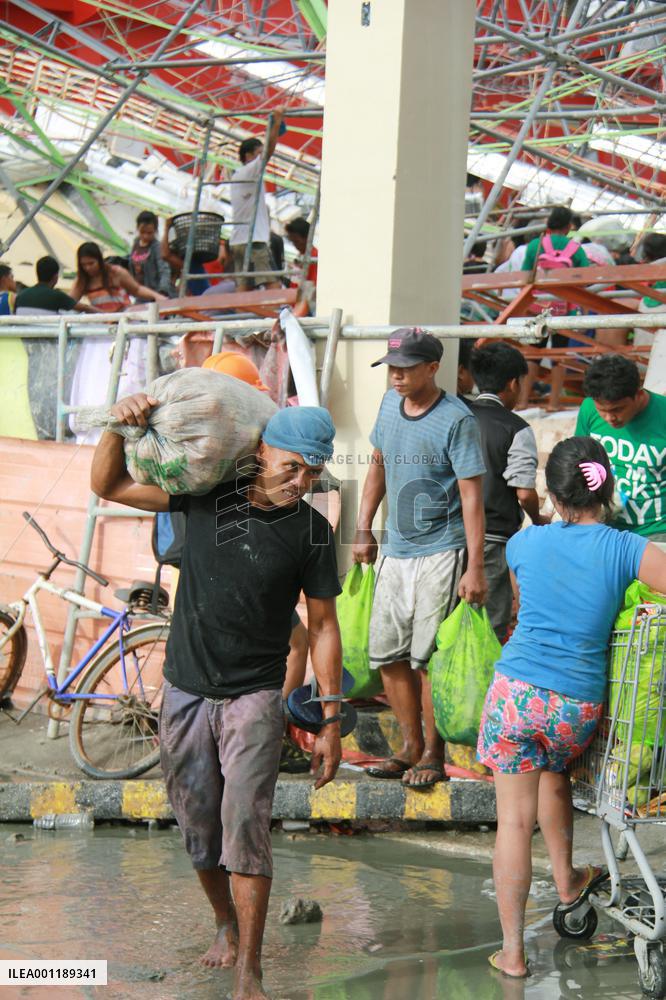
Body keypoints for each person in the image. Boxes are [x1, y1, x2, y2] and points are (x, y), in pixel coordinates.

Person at [91, 402, 343, 1000]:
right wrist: (118, 427)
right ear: (261, 452)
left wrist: (331, 719)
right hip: (184, 686)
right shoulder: (204, 498)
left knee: (246, 823)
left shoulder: (312, 531)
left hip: (256, 694)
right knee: (198, 822)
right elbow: (110, 485)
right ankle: (224, 924)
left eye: (312, 472)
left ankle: (249, 971)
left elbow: (323, 625)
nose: (300, 481)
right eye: (291, 466)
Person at [478, 435, 666, 979]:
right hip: (575, 708)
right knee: (554, 772)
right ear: (607, 487)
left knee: (514, 824)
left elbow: (524, 604)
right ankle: (567, 882)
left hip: (516, 695)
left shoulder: (523, 543)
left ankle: (513, 954)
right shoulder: (627, 549)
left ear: (554, 496)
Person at [352, 327, 487, 788]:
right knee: (388, 653)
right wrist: (363, 527)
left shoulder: (457, 419)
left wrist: (474, 566)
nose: (397, 376)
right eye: (392, 368)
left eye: (406, 368)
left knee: (426, 659)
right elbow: (377, 464)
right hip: (395, 548)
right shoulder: (389, 405)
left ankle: (433, 753)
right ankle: (409, 747)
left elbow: (472, 497)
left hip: (442, 550)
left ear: (432, 368)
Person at [467, 343, 547, 642]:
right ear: (513, 383)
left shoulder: (457, 415)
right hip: (492, 538)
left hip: (449, 535)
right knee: (489, 627)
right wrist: (537, 518)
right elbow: (524, 493)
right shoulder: (516, 428)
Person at [575, 354, 666, 543]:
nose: (610, 418)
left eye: (617, 409)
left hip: (657, 532)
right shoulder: (588, 409)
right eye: (602, 410)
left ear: (638, 394)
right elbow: (578, 460)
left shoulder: (662, 414)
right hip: (604, 529)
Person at [519, 206, 590, 411]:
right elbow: (585, 279)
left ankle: (523, 401)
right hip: (563, 309)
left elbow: (525, 276)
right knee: (559, 354)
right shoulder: (575, 249)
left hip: (537, 307)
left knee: (533, 352)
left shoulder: (536, 245)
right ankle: (554, 403)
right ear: (569, 226)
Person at [230, 109, 284, 290]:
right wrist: (276, 123)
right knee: (273, 285)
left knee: (244, 288)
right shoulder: (249, 171)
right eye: (258, 153)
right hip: (253, 241)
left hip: (239, 240)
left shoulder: (239, 176)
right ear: (248, 156)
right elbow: (268, 151)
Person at [71, 242, 166, 311]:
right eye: (84, 265)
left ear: (99, 260)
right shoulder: (81, 280)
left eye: (91, 263)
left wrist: (156, 296)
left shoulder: (115, 272)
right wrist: (86, 308)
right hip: (101, 323)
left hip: (123, 317)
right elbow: (70, 302)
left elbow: (136, 289)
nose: (88, 268)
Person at [15, 256, 96, 315]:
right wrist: (103, 314)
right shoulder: (56, 296)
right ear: (55, 277)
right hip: (48, 332)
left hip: (24, 332)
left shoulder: (20, 296)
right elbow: (85, 308)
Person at [128, 211, 173, 300]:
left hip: (155, 295)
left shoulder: (157, 247)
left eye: (149, 233)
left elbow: (164, 271)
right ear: (137, 228)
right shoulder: (135, 244)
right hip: (140, 295)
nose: (145, 236)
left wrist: (162, 292)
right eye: (142, 232)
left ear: (155, 230)